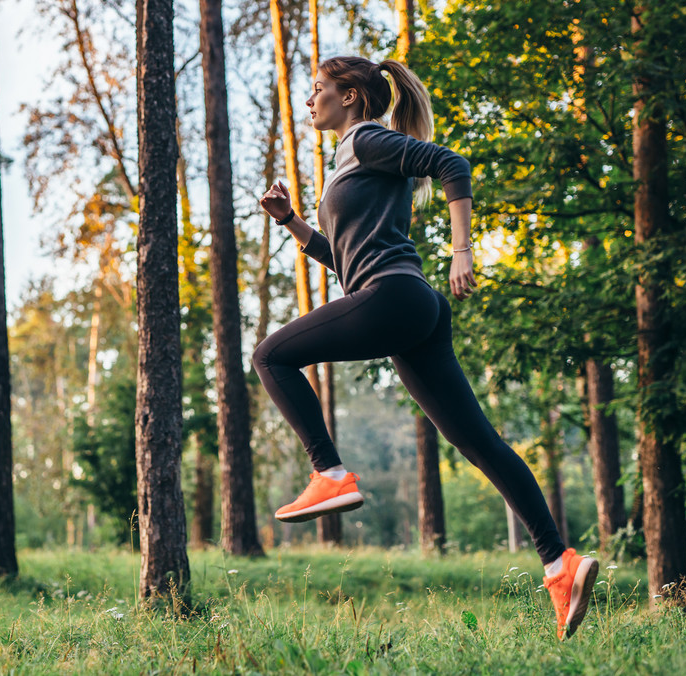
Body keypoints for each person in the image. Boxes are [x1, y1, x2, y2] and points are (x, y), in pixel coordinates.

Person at [254, 55, 598, 640]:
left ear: (353, 98)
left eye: (318, 90)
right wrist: (291, 221)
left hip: (397, 298)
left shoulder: (366, 140)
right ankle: (560, 563)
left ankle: (329, 472)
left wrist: (463, 251)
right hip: (410, 306)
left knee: (269, 355)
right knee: (479, 442)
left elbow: (452, 164)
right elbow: (344, 262)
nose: (309, 100)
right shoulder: (350, 160)